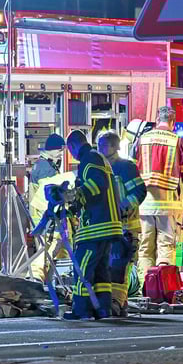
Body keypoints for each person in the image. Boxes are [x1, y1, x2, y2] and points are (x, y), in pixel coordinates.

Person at [63, 130, 122, 319]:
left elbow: (96, 185)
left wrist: (74, 194)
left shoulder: (89, 159)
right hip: (108, 224)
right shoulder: (98, 158)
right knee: (100, 271)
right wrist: (73, 207)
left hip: (97, 226)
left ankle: (81, 310)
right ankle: (102, 309)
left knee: (83, 266)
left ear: (72, 147)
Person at [135, 107, 183, 275]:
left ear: (157, 120)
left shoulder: (142, 139)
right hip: (168, 206)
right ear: (172, 122)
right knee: (166, 248)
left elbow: (132, 170)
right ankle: (161, 290)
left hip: (143, 205)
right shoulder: (178, 142)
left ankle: (145, 289)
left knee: (145, 248)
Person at [97, 131, 146, 317]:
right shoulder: (100, 167)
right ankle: (118, 303)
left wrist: (124, 207)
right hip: (108, 226)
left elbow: (140, 191)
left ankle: (116, 302)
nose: (100, 149)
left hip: (126, 227)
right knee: (109, 266)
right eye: (99, 145)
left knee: (119, 266)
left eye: (104, 145)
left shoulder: (125, 167)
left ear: (115, 147)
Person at [28, 134, 70, 281]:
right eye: (59, 150)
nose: (61, 153)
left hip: (40, 213)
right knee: (48, 248)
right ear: (51, 150)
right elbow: (50, 194)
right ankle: (36, 278)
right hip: (46, 214)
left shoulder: (43, 164)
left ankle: (47, 281)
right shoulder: (46, 169)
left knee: (51, 249)